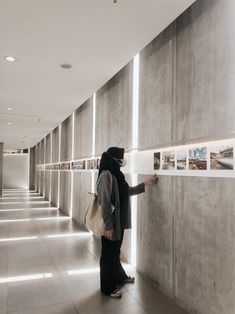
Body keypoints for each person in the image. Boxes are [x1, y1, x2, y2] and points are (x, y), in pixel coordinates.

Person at [97, 147, 158, 298]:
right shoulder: (106, 176)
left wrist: (145, 184)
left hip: (120, 222)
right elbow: (104, 202)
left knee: (115, 252)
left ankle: (119, 277)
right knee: (108, 255)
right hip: (111, 224)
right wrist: (108, 225)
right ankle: (108, 288)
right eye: (120, 160)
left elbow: (127, 191)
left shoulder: (117, 175)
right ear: (113, 160)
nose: (121, 162)